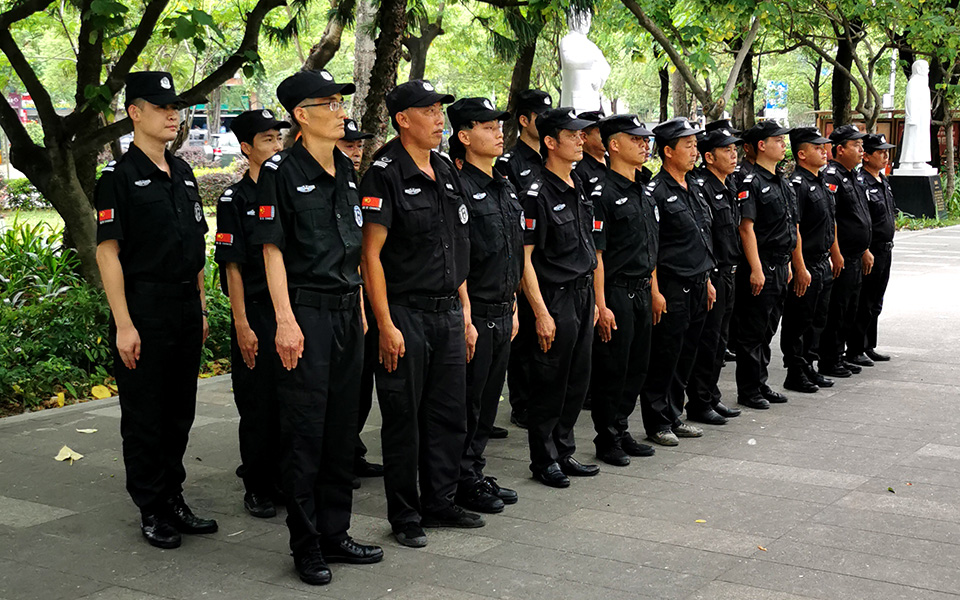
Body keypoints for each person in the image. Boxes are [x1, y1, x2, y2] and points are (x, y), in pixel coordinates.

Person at [252, 69, 384, 585]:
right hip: (305, 314)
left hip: (347, 310)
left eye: (339, 102)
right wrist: (284, 319)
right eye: (327, 103)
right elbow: (272, 249)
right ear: (301, 115)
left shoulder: (347, 171)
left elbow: (352, 250)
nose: (339, 110)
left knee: (340, 428)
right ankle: (306, 545)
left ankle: (336, 532)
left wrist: (366, 307)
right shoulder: (280, 171)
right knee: (305, 432)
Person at [95, 71, 218, 549]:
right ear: (135, 113)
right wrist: (124, 324)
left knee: (179, 411)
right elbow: (109, 253)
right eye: (162, 107)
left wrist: (203, 307)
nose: (173, 114)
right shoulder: (119, 179)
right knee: (146, 415)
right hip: (144, 308)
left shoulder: (182, 172)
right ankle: (151, 506)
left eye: (177, 107)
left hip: (185, 305)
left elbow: (196, 245)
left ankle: (173, 496)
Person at [360, 79, 483, 549]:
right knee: (403, 417)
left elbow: (457, 247)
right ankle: (405, 514)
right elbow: (371, 256)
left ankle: (440, 500)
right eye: (429, 111)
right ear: (403, 119)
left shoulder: (446, 170)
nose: (438, 120)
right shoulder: (384, 173)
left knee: (448, 413)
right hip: (405, 314)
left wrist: (466, 314)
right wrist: (385, 324)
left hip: (449, 311)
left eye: (440, 111)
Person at [447, 97, 523, 513]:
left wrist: (513, 304)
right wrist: (467, 316)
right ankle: (458, 478)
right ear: (464, 136)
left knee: (488, 401)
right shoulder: (458, 187)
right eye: (488, 127)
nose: (498, 133)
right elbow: (458, 257)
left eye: (499, 126)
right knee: (467, 401)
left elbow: (513, 251)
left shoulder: (502, 183)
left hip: (501, 307)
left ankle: (473, 470)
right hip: (474, 310)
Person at [214, 109, 289, 519]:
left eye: (279, 139)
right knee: (258, 404)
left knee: (291, 400)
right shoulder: (235, 198)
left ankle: (283, 478)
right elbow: (233, 267)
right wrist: (242, 324)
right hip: (257, 313)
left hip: (291, 312)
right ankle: (258, 486)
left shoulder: (290, 189)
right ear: (246, 148)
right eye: (267, 141)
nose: (277, 147)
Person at [520, 107, 601, 487]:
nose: (581, 140)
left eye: (582, 134)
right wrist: (540, 311)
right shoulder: (535, 192)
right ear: (550, 142)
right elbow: (525, 259)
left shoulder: (578, 184)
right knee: (550, 381)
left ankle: (564, 450)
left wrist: (598, 303)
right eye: (573, 135)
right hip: (555, 297)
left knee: (576, 380)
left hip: (583, 295)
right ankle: (544, 458)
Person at [639, 117, 716, 446]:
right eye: (688, 145)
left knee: (686, 354)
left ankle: (674, 413)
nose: (694, 150)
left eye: (695, 144)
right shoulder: (656, 192)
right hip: (671, 287)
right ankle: (657, 421)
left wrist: (708, 278)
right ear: (668, 151)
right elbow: (652, 248)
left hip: (699, 283)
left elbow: (702, 237)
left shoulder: (694, 186)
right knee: (665, 356)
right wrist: (655, 291)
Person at [588, 114, 659, 466]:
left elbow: (651, 247)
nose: (644, 145)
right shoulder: (603, 193)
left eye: (645, 139)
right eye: (636, 139)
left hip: (644, 289)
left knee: (637, 367)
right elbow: (598, 256)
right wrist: (601, 306)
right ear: (614, 145)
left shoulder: (643, 189)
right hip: (616, 291)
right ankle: (607, 437)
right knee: (613, 368)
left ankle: (621, 426)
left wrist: (655, 290)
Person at [496, 89, 552, 429]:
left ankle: (544, 400)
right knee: (526, 340)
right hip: (525, 261)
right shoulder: (510, 164)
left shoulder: (552, 157)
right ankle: (522, 403)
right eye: (540, 117)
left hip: (552, 264)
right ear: (524, 120)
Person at [734, 120, 797, 410]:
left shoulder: (781, 181)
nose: (783, 144)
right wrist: (756, 268)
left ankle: (760, 382)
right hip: (762, 265)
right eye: (778, 140)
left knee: (768, 329)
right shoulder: (751, 181)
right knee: (752, 331)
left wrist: (792, 265)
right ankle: (749, 389)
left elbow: (791, 226)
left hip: (780, 264)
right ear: (762, 145)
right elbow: (746, 228)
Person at [684, 125, 744, 425]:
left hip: (729, 273)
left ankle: (711, 395)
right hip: (712, 273)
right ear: (709, 157)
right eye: (726, 150)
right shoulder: (701, 186)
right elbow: (704, 236)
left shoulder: (728, 184)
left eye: (735, 150)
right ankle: (699, 401)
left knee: (720, 341)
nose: (734, 155)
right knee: (707, 342)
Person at [338, 116, 385, 485]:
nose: (355, 152)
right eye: (347, 145)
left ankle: (351, 448)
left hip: (368, 299)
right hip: (343, 299)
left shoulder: (359, 185)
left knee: (362, 380)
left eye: (358, 146)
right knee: (342, 384)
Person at [779, 127, 840, 394]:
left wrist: (834, 254)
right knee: (799, 320)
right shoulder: (798, 185)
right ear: (801, 154)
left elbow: (830, 221)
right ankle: (795, 371)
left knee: (818, 318)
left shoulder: (821, 181)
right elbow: (796, 228)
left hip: (821, 261)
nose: (824, 151)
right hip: (806, 261)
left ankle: (809, 366)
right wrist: (800, 266)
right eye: (817, 147)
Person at [820, 124, 872, 378]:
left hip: (855, 254)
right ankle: (829, 359)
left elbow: (859, 216)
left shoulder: (853, 176)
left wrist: (864, 249)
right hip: (842, 256)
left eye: (862, 146)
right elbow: (833, 218)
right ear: (839, 149)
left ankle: (839, 355)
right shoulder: (832, 176)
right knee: (837, 309)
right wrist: (836, 252)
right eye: (856, 145)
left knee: (850, 307)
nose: (861, 150)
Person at [850, 133, 897, 364]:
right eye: (880, 152)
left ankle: (869, 344)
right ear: (866, 157)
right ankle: (855, 348)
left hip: (885, 249)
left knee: (876, 301)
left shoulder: (882, 180)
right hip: (871, 250)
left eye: (887, 152)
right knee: (864, 301)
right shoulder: (861, 183)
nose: (885, 156)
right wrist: (865, 249)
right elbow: (862, 220)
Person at [575, 109, 607, 187]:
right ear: (584, 137)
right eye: (601, 132)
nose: (607, 136)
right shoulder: (579, 170)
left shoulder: (614, 161)